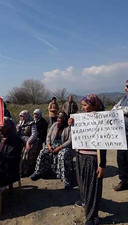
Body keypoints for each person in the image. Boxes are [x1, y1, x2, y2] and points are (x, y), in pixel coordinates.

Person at [73, 94, 106, 225]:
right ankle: (86, 202)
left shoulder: (102, 120)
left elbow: (104, 143)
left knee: (93, 187)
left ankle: (92, 217)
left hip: (93, 158)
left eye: (85, 105)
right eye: (82, 105)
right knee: (82, 183)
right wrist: (72, 125)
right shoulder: (82, 119)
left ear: (94, 106)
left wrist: (102, 164)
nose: (83, 108)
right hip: (80, 155)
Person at [29, 112, 74, 189]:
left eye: (60, 118)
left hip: (64, 147)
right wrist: (49, 145)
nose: (58, 119)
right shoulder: (54, 125)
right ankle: (39, 172)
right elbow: (48, 136)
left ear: (64, 119)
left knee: (62, 155)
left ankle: (66, 180)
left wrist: (60, 148)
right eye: (58, 118)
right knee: (43, 152)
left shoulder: (68, 127)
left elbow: (70, 140)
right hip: (53, 145)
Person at [112, 80, 128, 191]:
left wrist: (121, 110)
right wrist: (121, 110)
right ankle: (124, 181)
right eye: (126, 86)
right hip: (123, 134)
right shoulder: (123, 99)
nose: (126, 88)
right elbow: (114, 109)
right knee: (122, 158)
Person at [17, 110, 41, 177]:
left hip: (30, 140)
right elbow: (16, 133)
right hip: (21, 140)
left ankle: (26, 170)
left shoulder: (32, 123)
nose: (21, 118)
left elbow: (34, 134)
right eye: (20, 116)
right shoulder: (20, 123)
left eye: (22, 116)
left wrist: (28, 142)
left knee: (27, 151)